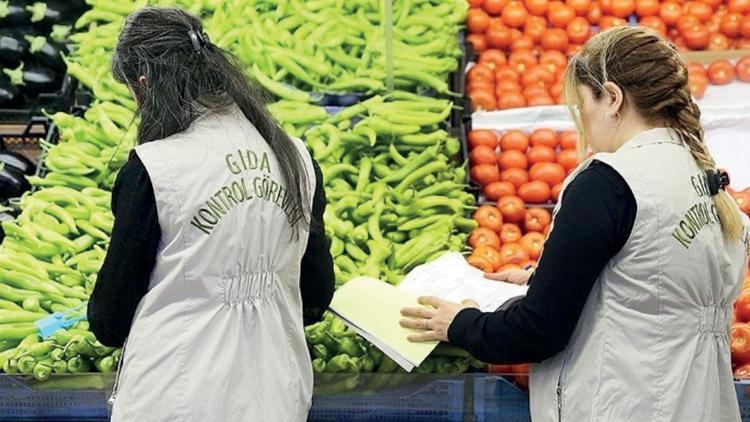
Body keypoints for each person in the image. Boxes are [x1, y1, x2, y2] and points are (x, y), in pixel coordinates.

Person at [401, 26, 750, 421]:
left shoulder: (610, 181)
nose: (581, 118)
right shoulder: (703, 179)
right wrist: (544, 277)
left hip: (625, 406)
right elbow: (655, 282)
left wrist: (460, 324)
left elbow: (539, 331)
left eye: (583, 103)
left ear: (612, 99)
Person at [86, 7, 335, 422]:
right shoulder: (295, 156)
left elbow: (109, 320)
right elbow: (316, 295)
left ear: (144, 85)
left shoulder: (154, 168)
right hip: (276, 392)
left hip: (174, 397)